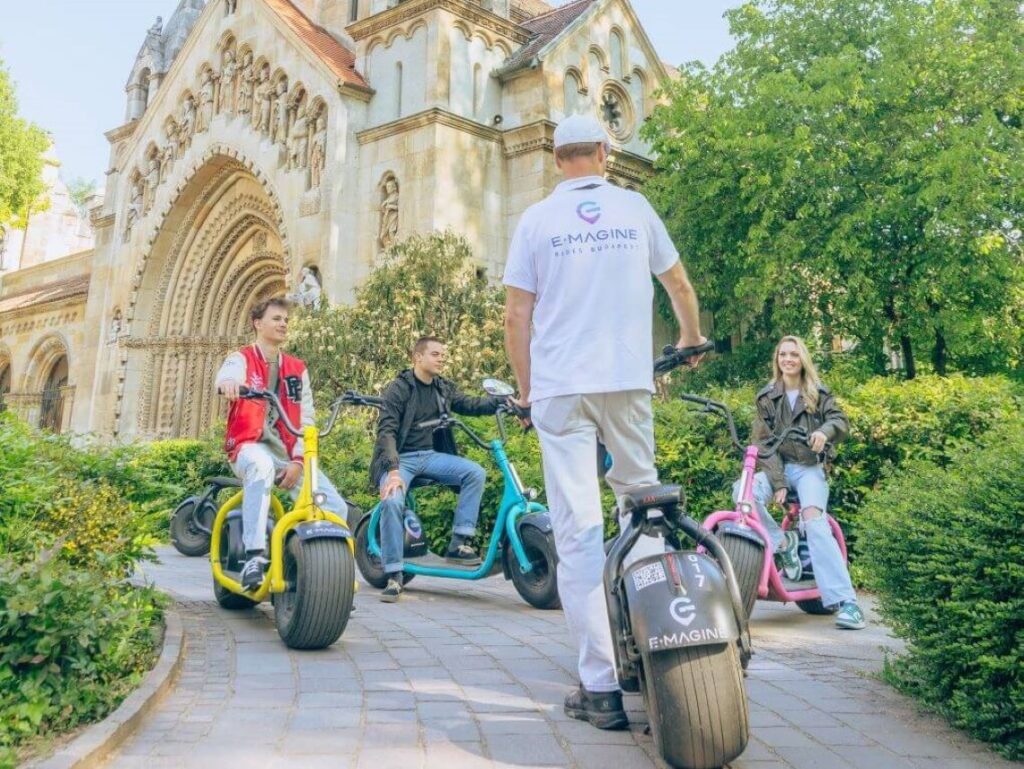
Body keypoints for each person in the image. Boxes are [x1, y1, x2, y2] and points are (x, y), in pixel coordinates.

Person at [503, 114, 707, 730]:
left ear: (556, 157)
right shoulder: (636, 208)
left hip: (561, 389)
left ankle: (600, 688)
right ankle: (657, 644)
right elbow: (678, 284)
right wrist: (691, 338)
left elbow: (517, 314)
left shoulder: (536, 219)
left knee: (577, 531)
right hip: (625, 381)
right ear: (603, 152)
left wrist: (528, 390)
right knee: (642, 506)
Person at [215, 297, 348, 591]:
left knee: (336, 507)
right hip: (249, 448)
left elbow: (307, 417)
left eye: (286, 320)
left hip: (288, 454)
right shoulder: (241, 358)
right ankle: (254, 556)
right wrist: (229, 384)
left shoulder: (296, 368)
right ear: (257, 323)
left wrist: (299, 461)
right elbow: (226, 376)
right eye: (276, 318)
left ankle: (322, 574)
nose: (283, 324)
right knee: (261, 467)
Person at [369, 336, 507, 603]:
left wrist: (500, 402)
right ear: (417, 357)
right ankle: (394, 574)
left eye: (443, 354)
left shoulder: (442, 387)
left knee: (474, 472)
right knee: (392, 500)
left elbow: (469, 404)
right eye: (435, 354)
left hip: (431, 456)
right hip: (401, 459)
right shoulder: (399, 389)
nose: (441, 358)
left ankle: (459, 542)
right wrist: (393, 471)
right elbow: (386, 431)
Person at [742, 335, 865, 630]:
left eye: (793, 355)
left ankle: (847, 603)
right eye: (783, 354)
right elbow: (763, 443)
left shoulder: (818, 392)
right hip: (779, 468)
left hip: (810, 468)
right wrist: (779, 481)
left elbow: (840, 421)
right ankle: (782, 543)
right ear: (777, 360)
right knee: (743, 494)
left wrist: (824, 431)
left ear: (802, 359)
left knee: (814, 521)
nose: (788, 359)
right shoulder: (767, 397)